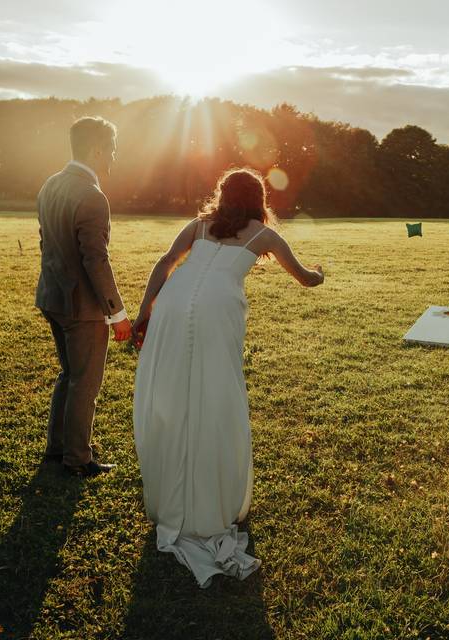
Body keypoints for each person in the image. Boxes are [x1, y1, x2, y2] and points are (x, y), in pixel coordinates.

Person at [132, 168, 324, 588]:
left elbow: (166, 262)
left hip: (173, 301)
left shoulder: (200, 225)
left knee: (177, 390)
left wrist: (146, 310)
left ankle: (175, 487)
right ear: (258, 199)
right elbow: (304, 278)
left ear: (222, 194)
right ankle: (207, 490)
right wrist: (320, 273)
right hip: (219, 309)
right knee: (215, 392)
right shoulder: (265, 235)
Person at [35, 116, 132, 477]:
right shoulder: (92, 196)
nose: (113, 157)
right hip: (83, 308)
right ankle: (77, 459)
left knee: (68, 374)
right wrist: (117, 312)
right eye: (112, 149)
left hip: (52, 297)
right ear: (96, 149)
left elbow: (46, 243)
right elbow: (96, 260)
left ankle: (56, 449)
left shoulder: (50, 184)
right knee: (84, 383)